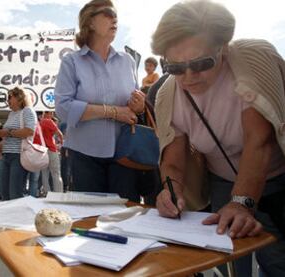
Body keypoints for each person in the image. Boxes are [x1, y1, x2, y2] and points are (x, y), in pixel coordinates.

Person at [151, 1, 285, 276]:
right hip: (223, 179)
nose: (188, 77)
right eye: (175, 67)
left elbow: (259, 140)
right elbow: (173, 160)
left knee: (276, 258)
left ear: (223, 48)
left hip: (278, 173)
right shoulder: (168, 94)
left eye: (201, 63)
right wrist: (170, 190)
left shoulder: (252, 59)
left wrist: (243, 202)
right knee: (227, 257)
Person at [55, 0, 145, 202]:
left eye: (115, 14)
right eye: (107, 13)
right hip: (84, 156)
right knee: (89, 222)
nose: (114, 18)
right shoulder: (72, 61)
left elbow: (134, 105)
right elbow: (62, 108)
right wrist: (112, 112)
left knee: (125, 218)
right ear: (90, 23)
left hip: (125, 154)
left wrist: (138, 105)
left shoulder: (128, 61)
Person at [0, 87, 37, 200]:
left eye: (10, 97)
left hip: (19, 156)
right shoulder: (11, 114)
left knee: (15, 194)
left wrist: (7, 132)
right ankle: (9, 217)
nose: (7, 100)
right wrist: (0, 147)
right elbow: (10, 134)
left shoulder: (27, 111)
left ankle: (19, 217)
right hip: (6, 155)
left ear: (19, 97)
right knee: (4, 193)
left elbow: (29, 131)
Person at [35, 111, 64, 193]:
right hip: (51, 149)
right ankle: (58, 193)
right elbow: (60, 134)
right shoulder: (48, 121)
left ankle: (47, 193)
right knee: (56, 173)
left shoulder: (39, 123)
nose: (52, 115)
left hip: (42, 151)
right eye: (51, 113)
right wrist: (61, 143)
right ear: (49, 114)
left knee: (44, 173)